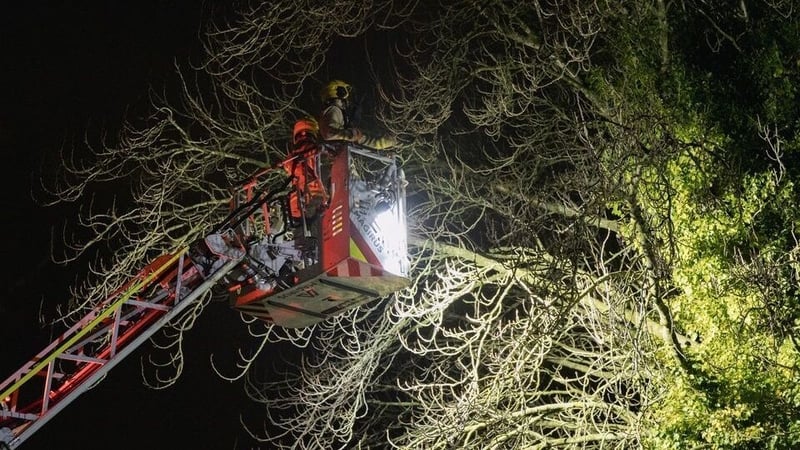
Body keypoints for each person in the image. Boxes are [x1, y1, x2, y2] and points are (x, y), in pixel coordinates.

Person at [318, 79, 398, 150]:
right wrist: (352, 134)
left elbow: (360, 138)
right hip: (339, 157)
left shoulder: (337, 111)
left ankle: (389, 141)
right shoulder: (334, 109)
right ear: (340, 91)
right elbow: (328, 133)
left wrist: (382, 143)